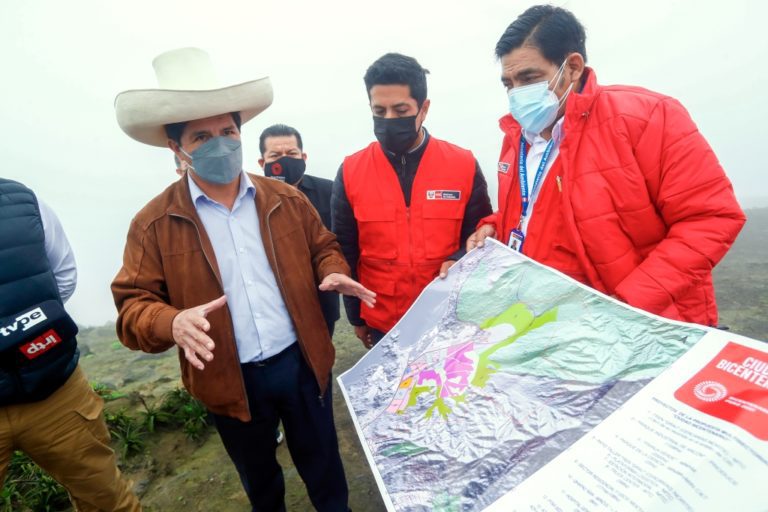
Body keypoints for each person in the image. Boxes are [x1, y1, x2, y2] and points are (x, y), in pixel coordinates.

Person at [111, 48, 374, 512]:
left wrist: (331, 270)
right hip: (229, 380)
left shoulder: (284, 199)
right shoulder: (153, 222)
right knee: (260, 482)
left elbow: (323, 246)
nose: (220, 143)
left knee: (325, 468)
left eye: (228, 131)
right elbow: (133, 305)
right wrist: (170, 322)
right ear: (177, 149)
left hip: (301, 362)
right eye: (201, 136)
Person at [468, 5, 745, 326]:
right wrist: (493, 227)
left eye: (529, 78)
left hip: (641, 328)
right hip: (549, 327)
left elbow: (711, 218)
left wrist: (627, 305)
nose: (517, 93)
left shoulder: (647, 117)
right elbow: (534, 212)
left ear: (572, 67)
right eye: (509, 83)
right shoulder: (517, 137)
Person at [333, 53, 493, 348]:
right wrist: (356, 318)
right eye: (379, 111)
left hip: (449, 322)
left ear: (424, 108)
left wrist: (457, 258)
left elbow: (481, 235)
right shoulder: (351, 170)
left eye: (400, 109)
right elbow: (346, 248)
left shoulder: (462, 164)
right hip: (384, 324)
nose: (389, 120)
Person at [0, 179, 140, 511]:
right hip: (51, 378)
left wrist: (25, 331)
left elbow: (64, 275)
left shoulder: (23, 201)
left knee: (107, 501)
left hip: (56, 390)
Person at [259, 124, 340, 337]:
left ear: (303, 157)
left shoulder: (330, 191)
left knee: (322, 369)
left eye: (291, 154)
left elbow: (340, 243)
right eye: (275, 155)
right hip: (273, 311)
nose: (284, 160)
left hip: (321, 304)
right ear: (262, 162)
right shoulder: (250, 200)